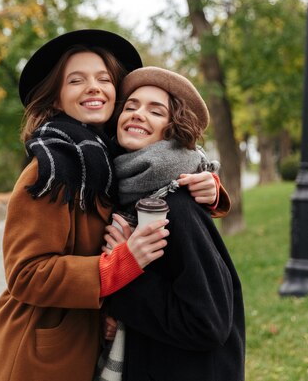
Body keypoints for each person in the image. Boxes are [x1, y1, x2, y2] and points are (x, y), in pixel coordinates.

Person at [0, 30, 229, 381]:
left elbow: (164, 174)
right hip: (41, 352)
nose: (93, 87)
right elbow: (25, 274)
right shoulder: (51, 169)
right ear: (56, 99)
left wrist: (209, 187)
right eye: (76, 80)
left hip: (90, 342)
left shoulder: (111, 161)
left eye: (104, 79)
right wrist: (122, 265)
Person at [99, 66, 246, 381]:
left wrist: (127, 274)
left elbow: (209, 323)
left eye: (156, 110)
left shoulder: (177, 206)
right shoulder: (123, 192)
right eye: (131, 106)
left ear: (171, 128)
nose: (139, 114)